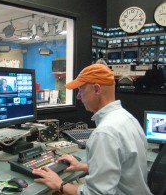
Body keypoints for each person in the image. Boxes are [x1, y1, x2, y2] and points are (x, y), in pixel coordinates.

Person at [32, 64, 152, 195]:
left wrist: (59, 184)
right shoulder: (128, 118)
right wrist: (83, 167)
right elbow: (124, 168)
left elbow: (95, 193)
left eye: (81, 90)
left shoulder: (105, 133)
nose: (78, 96)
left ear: (96, 89)